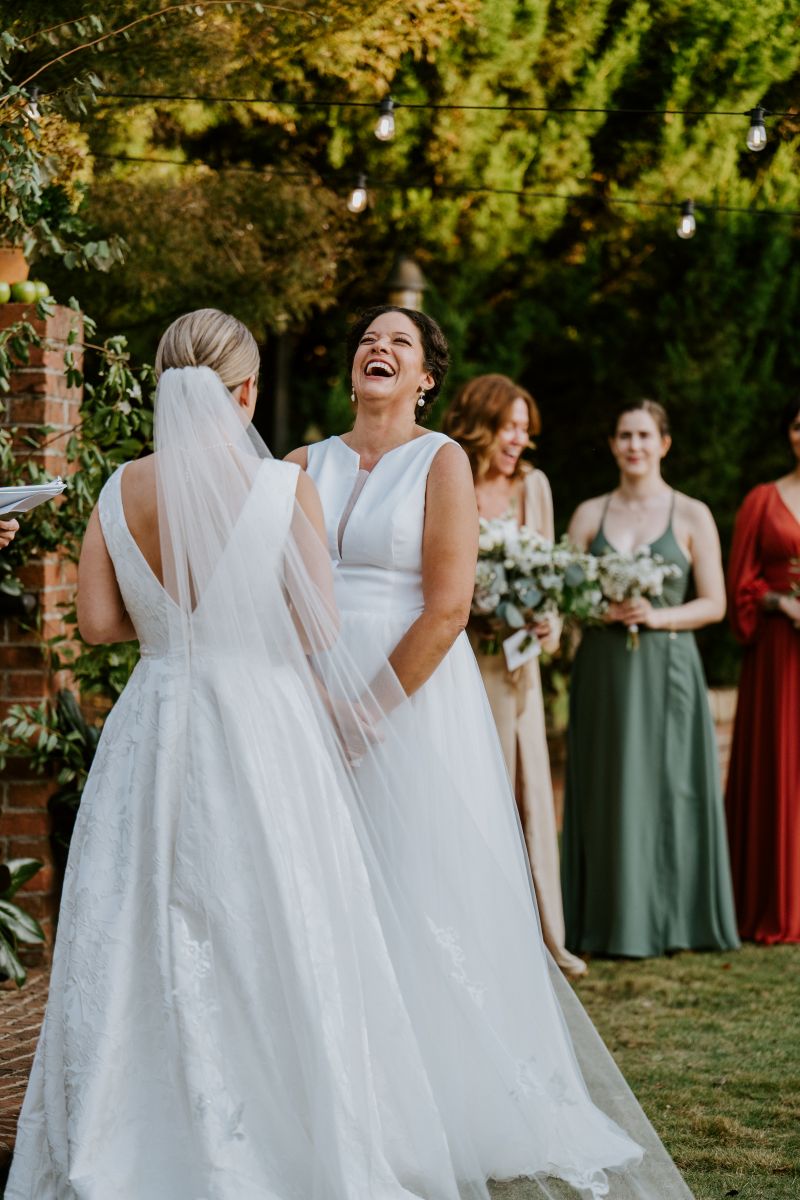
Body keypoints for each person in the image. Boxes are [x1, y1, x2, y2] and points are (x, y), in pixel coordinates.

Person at [8, 309, 486, 1199]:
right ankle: (282, 1127)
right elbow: (320, 624)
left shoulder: (118, 490)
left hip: (153, 722)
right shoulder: (281, 487)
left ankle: (135, 1129)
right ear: (247, 392)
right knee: (276, 921)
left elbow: (101, 624)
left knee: (139, 922)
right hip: (261, 720)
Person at [287, 310, 695, 1198]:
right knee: (321, 887)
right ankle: (337, 1090)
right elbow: (266, 582)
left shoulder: (441, 463)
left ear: (427, 376)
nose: (378, 348)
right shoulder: (297, 464)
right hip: (304, 697)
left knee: (415, 882)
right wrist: (309, 698)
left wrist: (364, 712)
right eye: (368, 338)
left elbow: (446, 606)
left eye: (399, 341)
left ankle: (428, 1098)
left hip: (410, 704)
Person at [563, 400, 740, 958]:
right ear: (613, 445)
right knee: (606, 785)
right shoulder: (590, 514)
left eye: (644, 435)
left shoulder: (692, 515)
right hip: (604, 669)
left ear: (664, 444)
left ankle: (674, 921)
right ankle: (603, 920)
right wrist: (598, 609)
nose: (633, 445)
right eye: (624, 435)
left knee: (671, 789)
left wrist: (655, 615)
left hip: (668, 667)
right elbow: (564, 597)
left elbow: (715, 604)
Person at [442, 373, 585, 979]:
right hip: (461, 655)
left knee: (527, 792)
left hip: (519, 664)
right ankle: (477, 931)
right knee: (473, 790)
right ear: (483, 424)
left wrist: (548, 623)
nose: (520, 440)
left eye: (526, 430)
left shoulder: (534, 486)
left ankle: (546, 934)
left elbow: (547, 566)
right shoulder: (446, 476)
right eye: (510, 427)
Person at [725, 399, 800, 943]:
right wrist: (776, 603)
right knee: (781, 762)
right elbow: (738, 584)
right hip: (778, 649)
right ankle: (773, 902)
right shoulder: (761, 500)